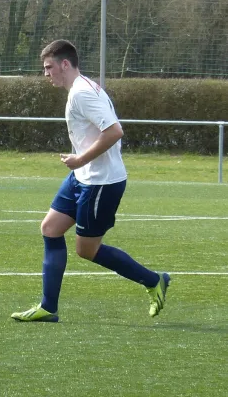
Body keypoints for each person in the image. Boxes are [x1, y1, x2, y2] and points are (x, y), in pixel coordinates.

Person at [11, 40, 170, 322]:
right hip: (82, 177)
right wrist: (79, 163)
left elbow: (114, 131)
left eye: (49, 67)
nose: (46, 74)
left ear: (65, 64)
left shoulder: (83, 93)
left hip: (100, 182)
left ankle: (154, 280)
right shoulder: (80, 88)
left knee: (87, 250)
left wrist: (80, 159)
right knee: (50, 228)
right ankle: (48, 308)